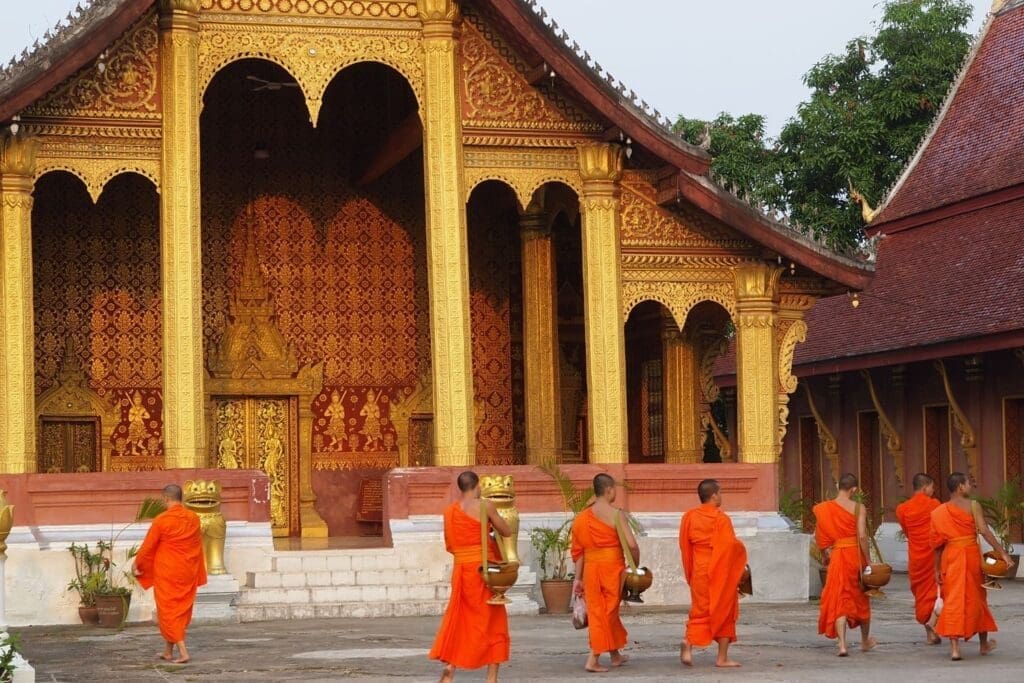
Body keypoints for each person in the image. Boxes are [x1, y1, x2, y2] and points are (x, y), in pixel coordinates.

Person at [429, 471, 512, 683]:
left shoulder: (450, 511)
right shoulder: (485, 506)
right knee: (494, 621)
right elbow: (506, 531)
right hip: (483, 571)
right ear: (477, 486)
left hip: (461, 570)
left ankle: (450, 667)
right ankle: (492, 677)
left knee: (459, 620)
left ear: (460, 488)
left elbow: (450, 544)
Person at [930, 472, 1014, 661]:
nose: (971, 487)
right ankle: (983, 645)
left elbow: (937, 545)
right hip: (970, 555)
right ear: (960, 486)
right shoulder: (974, 505)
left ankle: (955, 649)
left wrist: (936, 569)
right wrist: (1002, 552)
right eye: (968, 484)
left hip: (950, 557)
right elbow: (984, 531)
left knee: (953, 600)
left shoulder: (939, 512)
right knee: (978, 598)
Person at [571, 473, 639, 673]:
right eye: (615, 489)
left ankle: (615, 655)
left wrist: (577, 578)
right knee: (605, 614)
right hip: (612, 569)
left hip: (591, 570)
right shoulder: (616, 515)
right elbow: (632, 545)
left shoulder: (582, 517)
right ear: (609, 490)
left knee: (603, 611)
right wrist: (636, 567)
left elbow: (579, 551)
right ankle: (593, 658)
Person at [132, 484, 207, 664]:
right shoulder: (194, 518)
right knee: (179, 610)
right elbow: (197, 545)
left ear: (166, 498)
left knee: (168, 611)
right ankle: (168, 651)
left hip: (168, 570)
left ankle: (183, 652)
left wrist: (137, 563)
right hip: (188, 570)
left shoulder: (162, 520)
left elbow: (148, 546)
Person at [679, 478, 747, 668]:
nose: (721, 496)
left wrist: (691, 572)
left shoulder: (689, 517)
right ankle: (722, 658)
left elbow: (685, 547)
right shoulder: (721, 519)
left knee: (700, 609)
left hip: (699, 569)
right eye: (720, 493)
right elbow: (730, 548)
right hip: (719, 570)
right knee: (725, 610)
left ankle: (689, 642)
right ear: (714, 495)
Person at [812, 473, 875, 657]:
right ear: (854, 489)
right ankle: (864, 641)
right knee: (862, 598)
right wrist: (869, 560)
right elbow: (862, 536)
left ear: (838, 485)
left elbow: (820, 537)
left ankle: (842, 645)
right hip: (855, 554)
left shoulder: (824, 508)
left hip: (838, 555)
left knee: (840, 599)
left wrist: (825, 554)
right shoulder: (858, 508)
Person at [895, 472, 942, 644]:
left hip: (915, 557)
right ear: (925, 487)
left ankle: (930, 635)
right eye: (932, 487)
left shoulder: (902, 509)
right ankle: (932, 624)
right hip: (932, 555)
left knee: (921, 595)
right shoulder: (935, 504)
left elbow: (906, 530)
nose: (933, 490)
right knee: (937, 592)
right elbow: (939, 528)